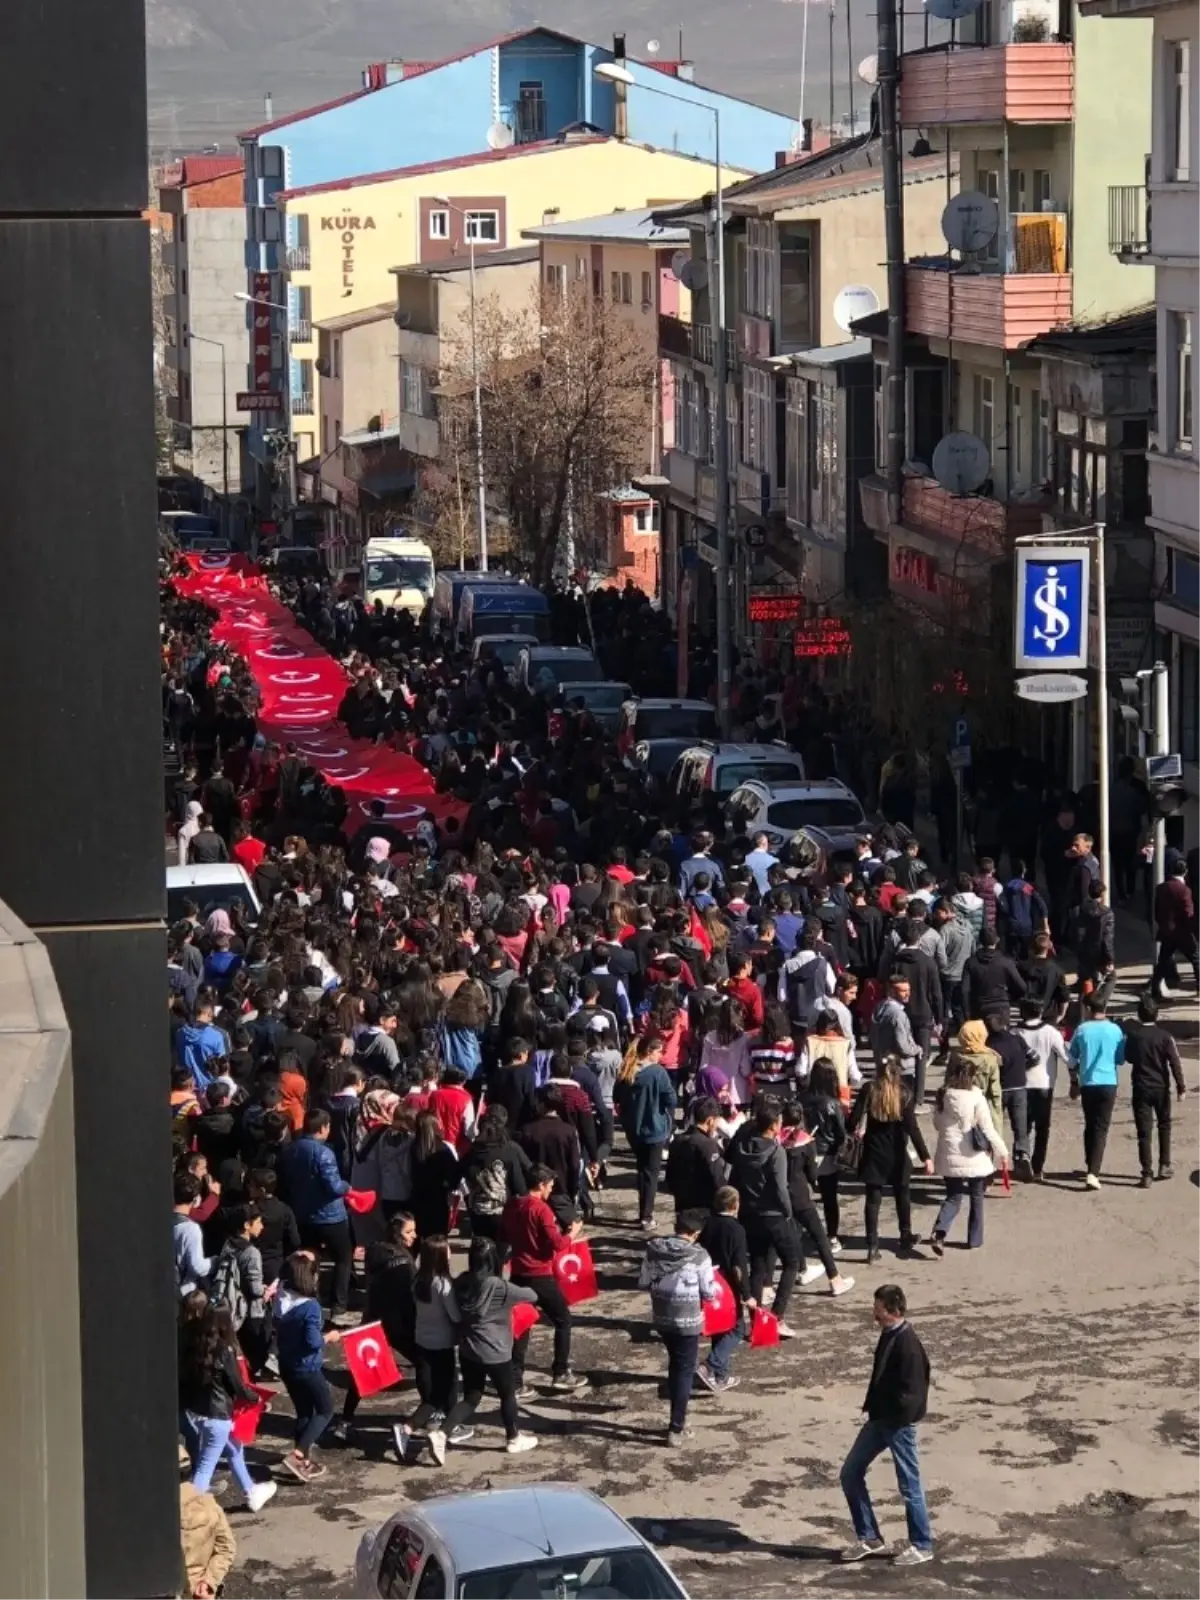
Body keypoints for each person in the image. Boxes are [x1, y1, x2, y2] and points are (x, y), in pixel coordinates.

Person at [839, 1283, 933, 1567]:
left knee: (909, 1485)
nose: (874, 1314)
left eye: (878, 1309)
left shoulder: (908, 1345)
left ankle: (922, 1544)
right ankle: (869, 1536)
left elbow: (914, 1391)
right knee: (850, 1473)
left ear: (892, 1310)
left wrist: (897, 1417)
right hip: (880, 1419)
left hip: (897, 1424)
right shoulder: (890, 1334)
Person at [433, 1238, 538, 1460]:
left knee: (471, 1398)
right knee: (507, 1394)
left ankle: (442, 1433)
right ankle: (513, 1437)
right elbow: (531, 1295)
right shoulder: (500, 1287)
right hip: (496, 1351)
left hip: (469, 1350)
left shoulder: (462, 1282)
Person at [177, 1298, 277, 1512]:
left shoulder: (198, 1344)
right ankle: (187, 1511)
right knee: (205, 1469)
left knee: (234, 1449)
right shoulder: (225, 1350)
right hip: (218, 1416)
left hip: (198, 1412)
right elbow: (237, 1386)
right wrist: (256, 1399)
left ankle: (251, 1492)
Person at [504, 1164, 588, 1395]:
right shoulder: (541, 1210)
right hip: (539, 1274)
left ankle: (515, 1379)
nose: (551, 1190)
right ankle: (561, 1371)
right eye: (550, 1186)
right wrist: (573, 1232)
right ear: (541, 1185)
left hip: (518, 1273)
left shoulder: (513, 1205)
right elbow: (557, 1243)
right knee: (563, 1320)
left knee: (523, 1324)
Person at [638, 1207, 717, 1447]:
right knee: (683, 1371)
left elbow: (642, 1282)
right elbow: (708, 1292)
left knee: (675, 1366)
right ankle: (676, 1426)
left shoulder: (654, 1249)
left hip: (662, 1317)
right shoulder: (699, 1256)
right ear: (695, 1233)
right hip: (688, 1320)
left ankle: (679, 1416)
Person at [729, 1103, 805, 1338]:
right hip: (774, 1215)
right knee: (792, 1263)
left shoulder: (743, 1148)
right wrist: (788, 1211)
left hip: (750, 1215)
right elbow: (781, 1188)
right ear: (773, 1126)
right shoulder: (776, 1152)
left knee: (758, 1267)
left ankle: (756, 1322)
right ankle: (778, 1316)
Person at [847, 1057, 932, 1264]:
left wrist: (854, 1129)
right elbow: (912, 1128)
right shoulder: (904, 1093)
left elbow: (853, 1121)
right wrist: (925, 1156)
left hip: (873, 1151)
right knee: (902, 1194)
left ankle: (872, 1245)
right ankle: (905, 1234)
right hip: (897, 1153)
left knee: (873, 1200)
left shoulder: (869, 1090)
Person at [277, 1108, 353, 1320]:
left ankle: (311, 1298)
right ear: (324, 1127)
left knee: (309, 1258)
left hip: (302, 1213)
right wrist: (346, 1187)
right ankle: (339, 1306)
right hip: (329, 1216)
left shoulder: (291, 1149)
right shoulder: (324, 1153)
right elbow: (333, 1186)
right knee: (343, 1258)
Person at [929, 1054, 1008, 1253]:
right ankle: (974, 1239)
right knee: (976, 1197)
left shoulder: (943, 1095)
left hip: (949, 1153)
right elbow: (988, 1128)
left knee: (953, 1197)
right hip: (973, 1155)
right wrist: (1002, 1151)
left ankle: (939, 1232)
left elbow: (938, 1125)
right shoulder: (976, 1097)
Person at [394, 1234, 463, 1463]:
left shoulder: (418, 1281)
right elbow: (454, 1315)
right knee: (444, 1389)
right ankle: (411, 1427)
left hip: (422, 1339)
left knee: (436, 1388)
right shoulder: (443, 1284)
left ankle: (441, 1424)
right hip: (442, 1343)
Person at [275, 1251, 341, 1482]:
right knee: (325, 1410)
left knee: (304, 1412)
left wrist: (297, 1258)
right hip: (307, 1367)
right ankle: (299, 1454)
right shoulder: (310, 1307)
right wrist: (330, 1337)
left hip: (286, 1364)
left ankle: (301, 1464)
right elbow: (313, 1341)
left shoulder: (281, 1296)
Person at [613, 1035, 678, 1229]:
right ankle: (646, 1216)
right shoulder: (658, 1073)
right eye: (659, 1052)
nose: (661, 1056)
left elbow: (617, 1098)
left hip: (634, 1130)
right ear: (650, 1052)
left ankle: (643, 1211)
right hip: (655, 1129)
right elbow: (672, 1100)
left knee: (642, 1170)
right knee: (651, 1174)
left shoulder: (626, 1071)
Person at [1123, 995, 1187, 1186]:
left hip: (1141, 1087)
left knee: (1144, 1131)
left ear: (1139, 1015)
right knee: (1164, 1125)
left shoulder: (1134, 1036)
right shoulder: (1165, 1037)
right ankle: (1164, 1164)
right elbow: (1174, 1062)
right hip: (1161, 1087)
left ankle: (1146, 1172)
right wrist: (1181, 1086)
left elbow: (1129, 1058)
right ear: (1157, 1014)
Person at [697, 1185, 753, 1395]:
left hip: (709, 1280)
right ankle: (709, 1365)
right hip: (727, 1285)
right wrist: (747, 1295)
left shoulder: (708, 1224)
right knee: (736, 1329)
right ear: (735, 1205)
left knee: (719, 1327)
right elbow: (739, 1267)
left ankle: (721, 1375)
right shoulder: (736, 1229)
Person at [1068, 992, 1126, 1189]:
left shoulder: (1082, 1030)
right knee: (1101, 1128)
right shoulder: (1115, 1030)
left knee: (1090, 1124)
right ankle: (1093, 1171)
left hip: (1088, 1083)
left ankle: (1089, 1163)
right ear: (1105, 1008)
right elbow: (1120, 1059)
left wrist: (1073, 1081)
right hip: (1108, 1081)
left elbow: (1072, 1057)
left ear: (1088, 1009)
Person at [1015, 999, 1069, 1182]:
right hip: (1045, 1085)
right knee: (1043, 1128)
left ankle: (1022, 1157)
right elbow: (1066, 1057)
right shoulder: (1050, 1032)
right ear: (1040, 1011)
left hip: (1021, 1085)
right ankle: (1038, 1167)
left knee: (1023, 1126)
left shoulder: (1015, 1032)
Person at [983, 1011, 1036, 1180]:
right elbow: (1035, 1058)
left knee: (991, 1128)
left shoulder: (988, 1045)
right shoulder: (1017, 1039)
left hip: (996, 1090)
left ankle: (988, 1163)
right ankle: (1023, 1156)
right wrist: (1022, 1068)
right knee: (1021, 1127)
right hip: (1019, 1086)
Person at [803, 1058, 848, 1252]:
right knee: (830, 1199)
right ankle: (832, 1236)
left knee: (805, 1199)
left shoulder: (801, 1098)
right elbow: (840, 1132)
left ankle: (807, 1233)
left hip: (805, 1152)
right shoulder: (832, 1104)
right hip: (827, 1154)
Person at [665, 1095, 729, 1213]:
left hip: (681, 1206)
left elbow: (669, 1177)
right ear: (710, 1121)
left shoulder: (677, 1140)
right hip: (703, 1208)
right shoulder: (707, 1145)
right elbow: (717, 1179)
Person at [180, 1480, 236, 1600]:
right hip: (197, 1589)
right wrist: (209, 1581)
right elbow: (226, 1548)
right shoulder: (208, 1503)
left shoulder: (143, 1508)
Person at [1152, 859, 1200, 998]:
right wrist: (1193, 930)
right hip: (1183, 932)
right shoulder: (1185, 890)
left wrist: (1163, 925)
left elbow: (1157, 911)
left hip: (1167, 931)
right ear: (1185, 872)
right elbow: (1188, 913)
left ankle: (1155, 989)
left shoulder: (1161, 888)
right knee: (1196, 958)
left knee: (1163, 961)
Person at [953, 1019, 1002, 1135]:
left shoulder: (956, 1057)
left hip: (961, 1106)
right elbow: (995, 1092)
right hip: (983, 1107)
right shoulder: (990, 1058)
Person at [173, 1171, 213, 1297]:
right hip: (183, 1292)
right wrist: (215, 1261)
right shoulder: (190, 1229)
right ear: (195, 1199)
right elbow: (197, 1267)